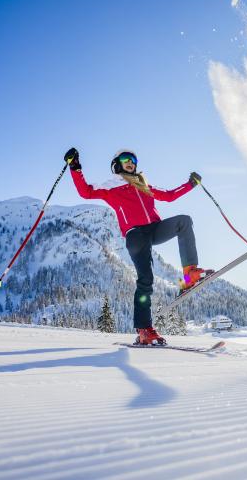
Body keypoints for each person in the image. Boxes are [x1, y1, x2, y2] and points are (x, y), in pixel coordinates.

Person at [63, 147, 207, 345]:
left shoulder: (143, 185)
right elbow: (85, 192)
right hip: (135, 235)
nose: (130, 162)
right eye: (125, 159)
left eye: (133, 159)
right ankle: (144, 329)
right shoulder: (110, 187)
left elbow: (169, 196)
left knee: (183, 221)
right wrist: (75, 166)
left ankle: (189, 274)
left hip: (154, 229)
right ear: (117, 164)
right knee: (145, 279)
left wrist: (190, 184)